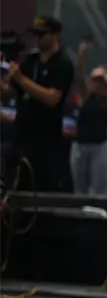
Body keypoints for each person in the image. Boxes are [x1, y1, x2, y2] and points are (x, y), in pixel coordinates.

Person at [0, 16, 74, 191]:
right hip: (22, 132)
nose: (38, 39)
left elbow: (52, 98)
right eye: (36, 35)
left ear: (56, 35)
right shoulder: (30, 61)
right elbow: (12, 91)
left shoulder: (62, 64)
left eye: (43, 35)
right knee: (14, 178)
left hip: (45, 137)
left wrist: (20, 78)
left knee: (39, 183)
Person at [71, 39, 107, 195]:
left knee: (99, 187)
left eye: (100, 82)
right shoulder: (87, 97)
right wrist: (81, 54)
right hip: (81, 144)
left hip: (100, 146)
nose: (96, 84)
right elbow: (80, 75)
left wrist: (104, 75)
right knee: (80, 186)